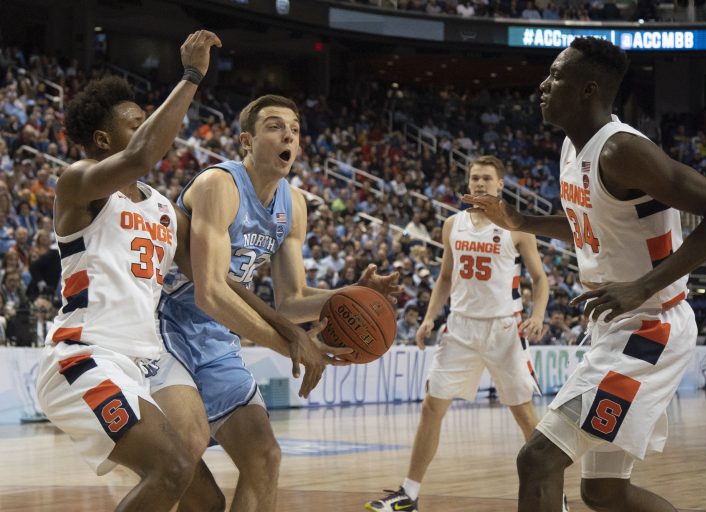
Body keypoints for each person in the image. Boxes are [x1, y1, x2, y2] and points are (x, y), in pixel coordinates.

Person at [463, 37, 706, 512]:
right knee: (603, 492)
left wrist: (643, 285)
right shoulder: (573, 150)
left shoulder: (622, 151)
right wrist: (520, 221)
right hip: (617, 326)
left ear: (587, 90)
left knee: (537, 460)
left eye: (556, 76)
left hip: (651, 329)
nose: (543, 84)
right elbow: (587, 226)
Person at [150, 94, 399, 511]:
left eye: (295, 129)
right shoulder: (219, 185)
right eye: (275, 126)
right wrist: (291, 345)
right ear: (246, 141)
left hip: (216, 339)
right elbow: (209, 292)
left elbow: (291, 302)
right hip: (164, 325)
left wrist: (352, 296)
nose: (288, 135)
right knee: (188, 460)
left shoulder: (294, 205)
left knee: (265, 458)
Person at [35, 31, 222, 511]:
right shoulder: (78, 181)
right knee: (171, 469)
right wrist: (191, 76)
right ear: (103, 140)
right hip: (84, 355)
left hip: (145, 362)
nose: (150, 130)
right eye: (139, 123)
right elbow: (142, 154)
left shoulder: (163, 208)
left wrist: (300, 325)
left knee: (206, 501)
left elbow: (219, 279)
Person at [366, 155, 550, 512]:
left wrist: (538, 313)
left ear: (500, 185)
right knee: (431, 407)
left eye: (487, 179)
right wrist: (429, 318)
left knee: (525, 415)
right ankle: (409, 493)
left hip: (505, 330)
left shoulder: (517, 226)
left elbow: (540, 279)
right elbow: (446, 278)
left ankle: (552, 493)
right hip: (461, 328)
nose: (479, 184)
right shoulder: (452, 224)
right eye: (475, 178)